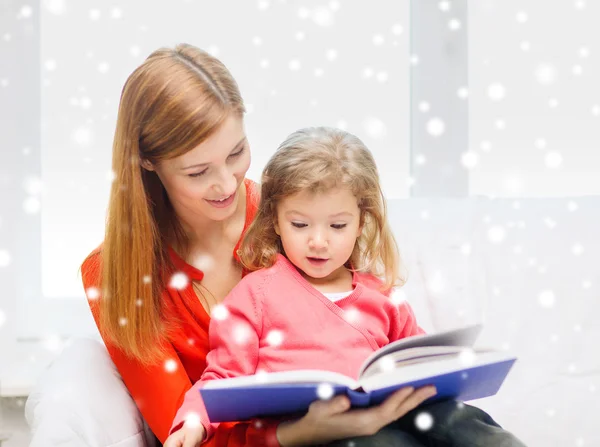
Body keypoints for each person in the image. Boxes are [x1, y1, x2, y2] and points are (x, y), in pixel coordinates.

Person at [80, 44, 435, 447]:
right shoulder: (114, 277)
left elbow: (366, 330)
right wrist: (296, 434)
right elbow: (188, 436)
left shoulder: (293, 216)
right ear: (147, 162)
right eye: (198, 172)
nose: (228, 184)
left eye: (237, 153)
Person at [164, 127, 527, 447]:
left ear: (361, 221)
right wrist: (193, 422)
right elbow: (222, 377)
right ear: (275, 220)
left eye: (337, 226)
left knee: (456, 417)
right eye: (300, 225)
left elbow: (416, 359)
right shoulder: (254, 295)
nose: (318, 242)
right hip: (318, 434)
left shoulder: (381, 296)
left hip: (394, 410)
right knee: (381, 442)